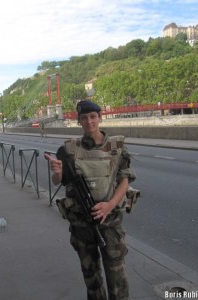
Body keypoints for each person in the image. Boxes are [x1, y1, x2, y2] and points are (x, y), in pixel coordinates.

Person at [45, 100, 136, 300]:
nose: (89, 122)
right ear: (79, 121)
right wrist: (57, 173)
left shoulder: (117, 146)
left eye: (93, 117)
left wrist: (109, 205)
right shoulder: (69, 149)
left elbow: (124, 180)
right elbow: (59, 182)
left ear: (100, 118)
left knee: (117, 279)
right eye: (84, 118)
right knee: (91, 279)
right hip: (82, 224)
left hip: (110, 223)